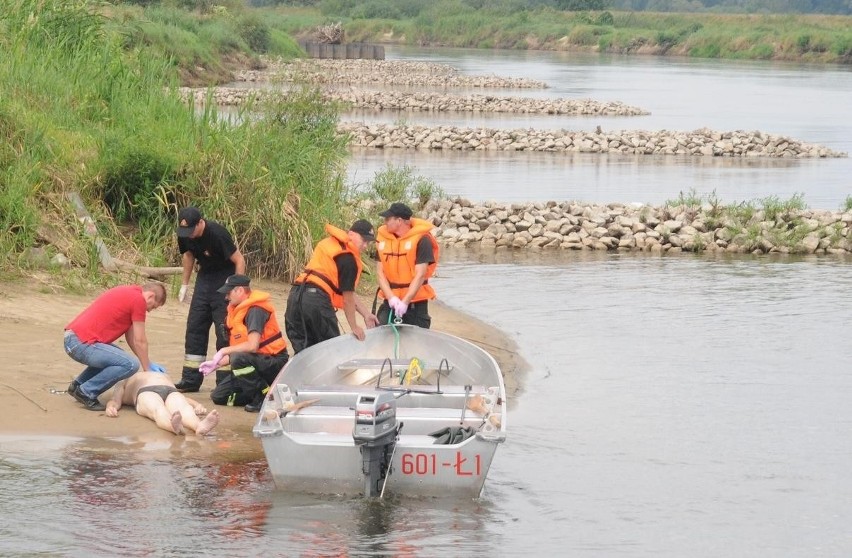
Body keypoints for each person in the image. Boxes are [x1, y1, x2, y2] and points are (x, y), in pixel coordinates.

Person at [64, 282, 167, 411]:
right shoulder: (138, 300)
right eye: (153, 306)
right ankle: (87, 391)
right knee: (130, 365)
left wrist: (147, 362)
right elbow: (140, 340)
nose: (150, 310)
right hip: (79, 343)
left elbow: (132, 339)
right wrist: (147, 369)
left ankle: (78, 385)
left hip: (74, 338)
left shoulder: (130, 293)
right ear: (150, 296)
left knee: (118, 358)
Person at [175, 206, 246, 393]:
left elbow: (239, 260)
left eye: (191, 230)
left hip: (225, 278)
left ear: (200, 223)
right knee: (195, 326)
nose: (188, 235)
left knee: (224, 330)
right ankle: (190, 379)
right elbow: (188, 255)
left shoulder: (217, 233)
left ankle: (225, 382)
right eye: (185, 232)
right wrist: (185, 284)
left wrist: (237, 290)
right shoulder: (184, 234)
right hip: (204, 278)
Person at [285, 219, 380, 354]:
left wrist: (365, 314)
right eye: (363, 239)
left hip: (295, 296)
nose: (365, 245)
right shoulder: (348, 259)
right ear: (351, 233)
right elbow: (347, 300)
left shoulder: (328, 244)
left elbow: (349, 293)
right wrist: (354, 326)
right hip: (316, 302)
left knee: (303, 353)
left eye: (368, 242)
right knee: (331, 351)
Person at [200, 275, 289, 413]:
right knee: (219, 396)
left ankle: (262, 396)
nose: (226, 297)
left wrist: (224, 350)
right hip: (256, 362)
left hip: (275, 363)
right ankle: (266, 392)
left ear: (240, 290)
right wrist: (214, 364)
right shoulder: (238, 310)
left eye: (229, 293)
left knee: (238, 359)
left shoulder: (255, 310)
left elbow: (252, 346)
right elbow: (244, 351)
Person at [375, 202, 440, 328]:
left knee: (417, 343)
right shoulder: (383, 240)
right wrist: (391, 298)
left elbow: (420, 275)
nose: (385, 222)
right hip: (391, 302)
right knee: (381, 335)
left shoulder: (422, 240)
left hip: (416, 304)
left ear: (399, 220)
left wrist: (405, 302)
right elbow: (380, 273)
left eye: (388, 219)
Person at [105, 371, 220, 435]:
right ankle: (174, 426)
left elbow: (184, 398)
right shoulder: (124, 380)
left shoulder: (160, 374)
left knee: (183, 408)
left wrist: (197, 405)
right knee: (159, 409)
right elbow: (115, 400)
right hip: (146, 390)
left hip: (169, 390)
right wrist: (110, 407)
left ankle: (199, 426)